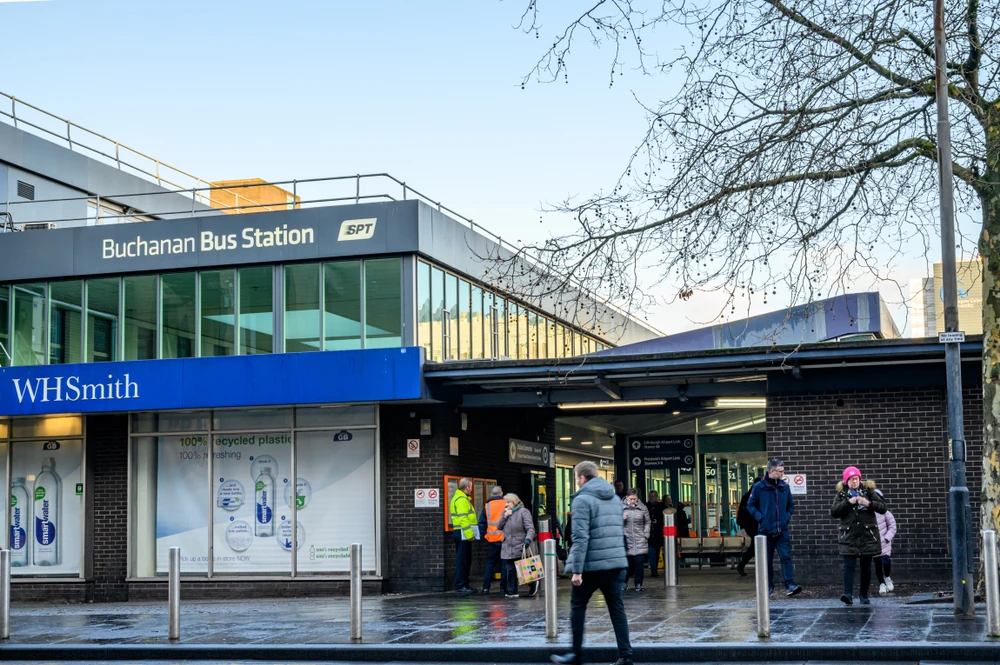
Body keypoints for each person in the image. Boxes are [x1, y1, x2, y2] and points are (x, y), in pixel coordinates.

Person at [551, 461, 633, 665]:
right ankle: (625, 655)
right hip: (615, 564)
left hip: (591, 566)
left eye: (577, 478)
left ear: (581, 478)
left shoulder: (582, 500)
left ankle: (576, 654)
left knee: (578, 606)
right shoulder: (614, 498)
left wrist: (576, 571)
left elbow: (580, 537)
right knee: (617, 609)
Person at [746, 458, 803, 596]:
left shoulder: (784, 487)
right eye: (781, 471)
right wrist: (761, 518)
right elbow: (750, 505)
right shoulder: (759, 487)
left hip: (782, 529)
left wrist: (786, 517)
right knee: (767, 561)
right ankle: (768, 587)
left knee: (786, 557)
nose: (783, 474)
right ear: (772, 471)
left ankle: (790, 585)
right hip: (765, 530)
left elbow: (791, 505)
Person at [831, 466, 886, 605]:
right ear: (845, 481)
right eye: (850, 479)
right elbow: (834, 512)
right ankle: (848, 594)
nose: (854, 481)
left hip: (867, 535)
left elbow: (883, 508)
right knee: (848, 565)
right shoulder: (841, 494)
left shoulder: (868, 491)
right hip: (848, 536)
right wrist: (849, 502)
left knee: (866, 566)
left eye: (856, 478)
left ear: (860, 479)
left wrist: (867, 503)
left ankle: (863, 595)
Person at [497, 492, 536, 598]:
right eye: (505, 502)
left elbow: (530, 528)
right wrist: (504, 516)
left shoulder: (524, 512)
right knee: (510, 569)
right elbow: (499, 527)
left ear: (514, 502)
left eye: (508, 502)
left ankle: (533, 583)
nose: (506, 504)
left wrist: (528, 539)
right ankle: (512, 591)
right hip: (508, 546)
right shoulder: (505, 513)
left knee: (524, 569)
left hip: (520, 545)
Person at [449, 477, 478, 594]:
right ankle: (461, 585)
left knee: (465, 559)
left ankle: (464, 584)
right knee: (463, 560)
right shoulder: (461, 500)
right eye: (471, 486)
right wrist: (470, 534)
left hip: (461, 532)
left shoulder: (461, 498)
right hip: (463, 533)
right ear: (467, 487)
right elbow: (463, 519)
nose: (472, 488)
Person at [479, 485, 507, 595]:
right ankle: (503, 588)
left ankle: (486, 588)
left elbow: (481, 523)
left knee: (490, 563)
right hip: (504, 538)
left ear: (491, 494)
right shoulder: (506, 504)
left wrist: (485, 535)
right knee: (505, 563)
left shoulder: (487, 506)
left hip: (492, 539)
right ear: (501, 493)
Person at [623, 489, 651, 591]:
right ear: (627, 497)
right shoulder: (620, 508)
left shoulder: (642, 508)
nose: (633, 501)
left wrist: (646, 534)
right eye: (631, 499)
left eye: (635, 499)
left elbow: (647, 521)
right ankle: (624, 583)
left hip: (640, 539)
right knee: (626, 564)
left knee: (639, 563)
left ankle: (639, 584)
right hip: (626, 540)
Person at [735, 479, 761, 577]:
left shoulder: (747, 495)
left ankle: (742, 565)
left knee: (756, 545)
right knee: (756, 544)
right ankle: (742, 564)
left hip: (749, 525)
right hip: (753, 524)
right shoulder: (754, 495)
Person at [873, 488, 897, 594]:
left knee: (886, 561)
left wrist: (887, 538)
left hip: (885, 542)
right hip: (874, 543)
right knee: (877, 564)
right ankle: (881, 583)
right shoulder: (868, 513)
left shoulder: (885, 512)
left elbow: (892, 526)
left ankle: (887, 577)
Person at [646, 491, 666, 577]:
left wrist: (658, 522)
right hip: (649, 533)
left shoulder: (661, 506)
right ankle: (653, 569)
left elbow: (664, 519)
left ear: (657, 497)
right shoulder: (646, 506)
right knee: (651, 552)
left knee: (657, 552)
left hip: (658, 533)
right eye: (650, 496)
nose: (651, 498)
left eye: (653, 496)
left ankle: (655, 568)